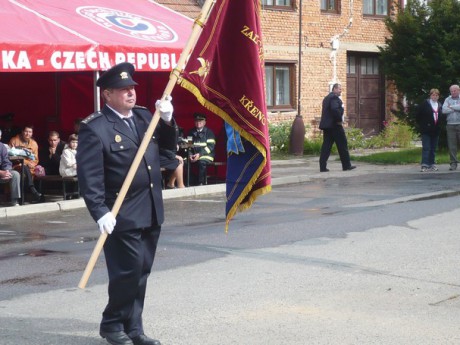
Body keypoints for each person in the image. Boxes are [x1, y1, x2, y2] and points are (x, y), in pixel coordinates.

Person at [76, 62, 177, 345]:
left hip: (151, 208)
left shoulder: (146, 117)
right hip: (121, 212)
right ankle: (111, 324)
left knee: (142, 271)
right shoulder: (95, 128)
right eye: (123, 90)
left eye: (132, 88)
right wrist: (100, 212)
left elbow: (168, 148)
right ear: (107, 94)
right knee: (127, 271)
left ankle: (134, 328)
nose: (131, 93)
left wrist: (167, 120)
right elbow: (90, 177)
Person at [318, 83, 356, 172]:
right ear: (334, 89)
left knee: (326, 146)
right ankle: (346, 165)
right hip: (335, 125)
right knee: (342, 145)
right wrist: (339, 119)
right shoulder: (334, 98)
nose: (340, 91)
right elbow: (335, 109)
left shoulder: (326, 98)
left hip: (327, 126)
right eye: (339, 89)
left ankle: (322, 167)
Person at [8, 125, 43, 203]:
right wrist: (26, 162)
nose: (28, 134)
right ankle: (33, 190)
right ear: (22, 132)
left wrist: (32, 164)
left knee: (27, 170)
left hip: (30, 168)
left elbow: (36, 159)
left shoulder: (34, 143)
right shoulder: (14, 140)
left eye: (30, 132)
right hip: (17, 166)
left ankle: (27, 195)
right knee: (23, 168)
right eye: (26, 131)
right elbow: (10, 155)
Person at [416, 89, 442, 172]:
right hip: (426, 130)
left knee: (433, 148)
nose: (434, 97)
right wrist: (423, 125)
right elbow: (418, 115)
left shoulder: (440, 105)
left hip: (435, 129)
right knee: (426, 147)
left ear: (438, 96)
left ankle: (432, 164)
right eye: (433, 95)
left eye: (436, 95)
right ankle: (424, 164)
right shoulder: (425, 104)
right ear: (430, 96)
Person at [188, 112, 215, 185]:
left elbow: (210, 147)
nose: (198, 122)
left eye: (200, 121)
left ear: (204, 122)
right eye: (196, 121)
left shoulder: (209, 132)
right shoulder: (191, 132)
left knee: (201, 162)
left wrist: (199, 155)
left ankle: (201, 183)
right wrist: (190, 155)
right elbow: (189, 146)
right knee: (185, 162)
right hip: (194, 155)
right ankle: (190, 182)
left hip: (206, 155)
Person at [0, 129, 21, 206]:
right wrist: (1, 172)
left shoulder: (2, 147)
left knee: (15, 174)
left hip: (2, 172)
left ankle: (14, 201)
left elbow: (6, 161)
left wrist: (7, 171)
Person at [442, 84, 460, 170]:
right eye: (451, 91)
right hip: (450, 125)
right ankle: (453, 163)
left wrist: (451, 107)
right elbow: (444, 110)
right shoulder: (447, 99)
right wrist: (456, 108)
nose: (453, 92)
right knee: (452, 146)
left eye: (454, 91)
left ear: (458, 90)